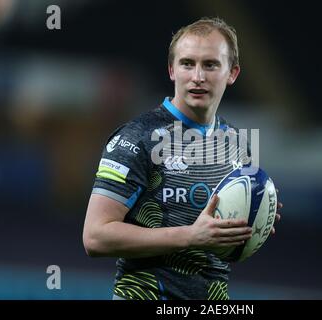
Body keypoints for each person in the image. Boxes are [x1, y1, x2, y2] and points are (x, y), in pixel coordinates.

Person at [82, 17, 282, 300]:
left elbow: (222, 249)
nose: (197, 76)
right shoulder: (138, 137)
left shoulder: (238, 145)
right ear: (172, 70)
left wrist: (253, 221)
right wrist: (191, 235)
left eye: (210, 64)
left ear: (232, 72)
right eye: (187, 63)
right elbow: (95, 237)